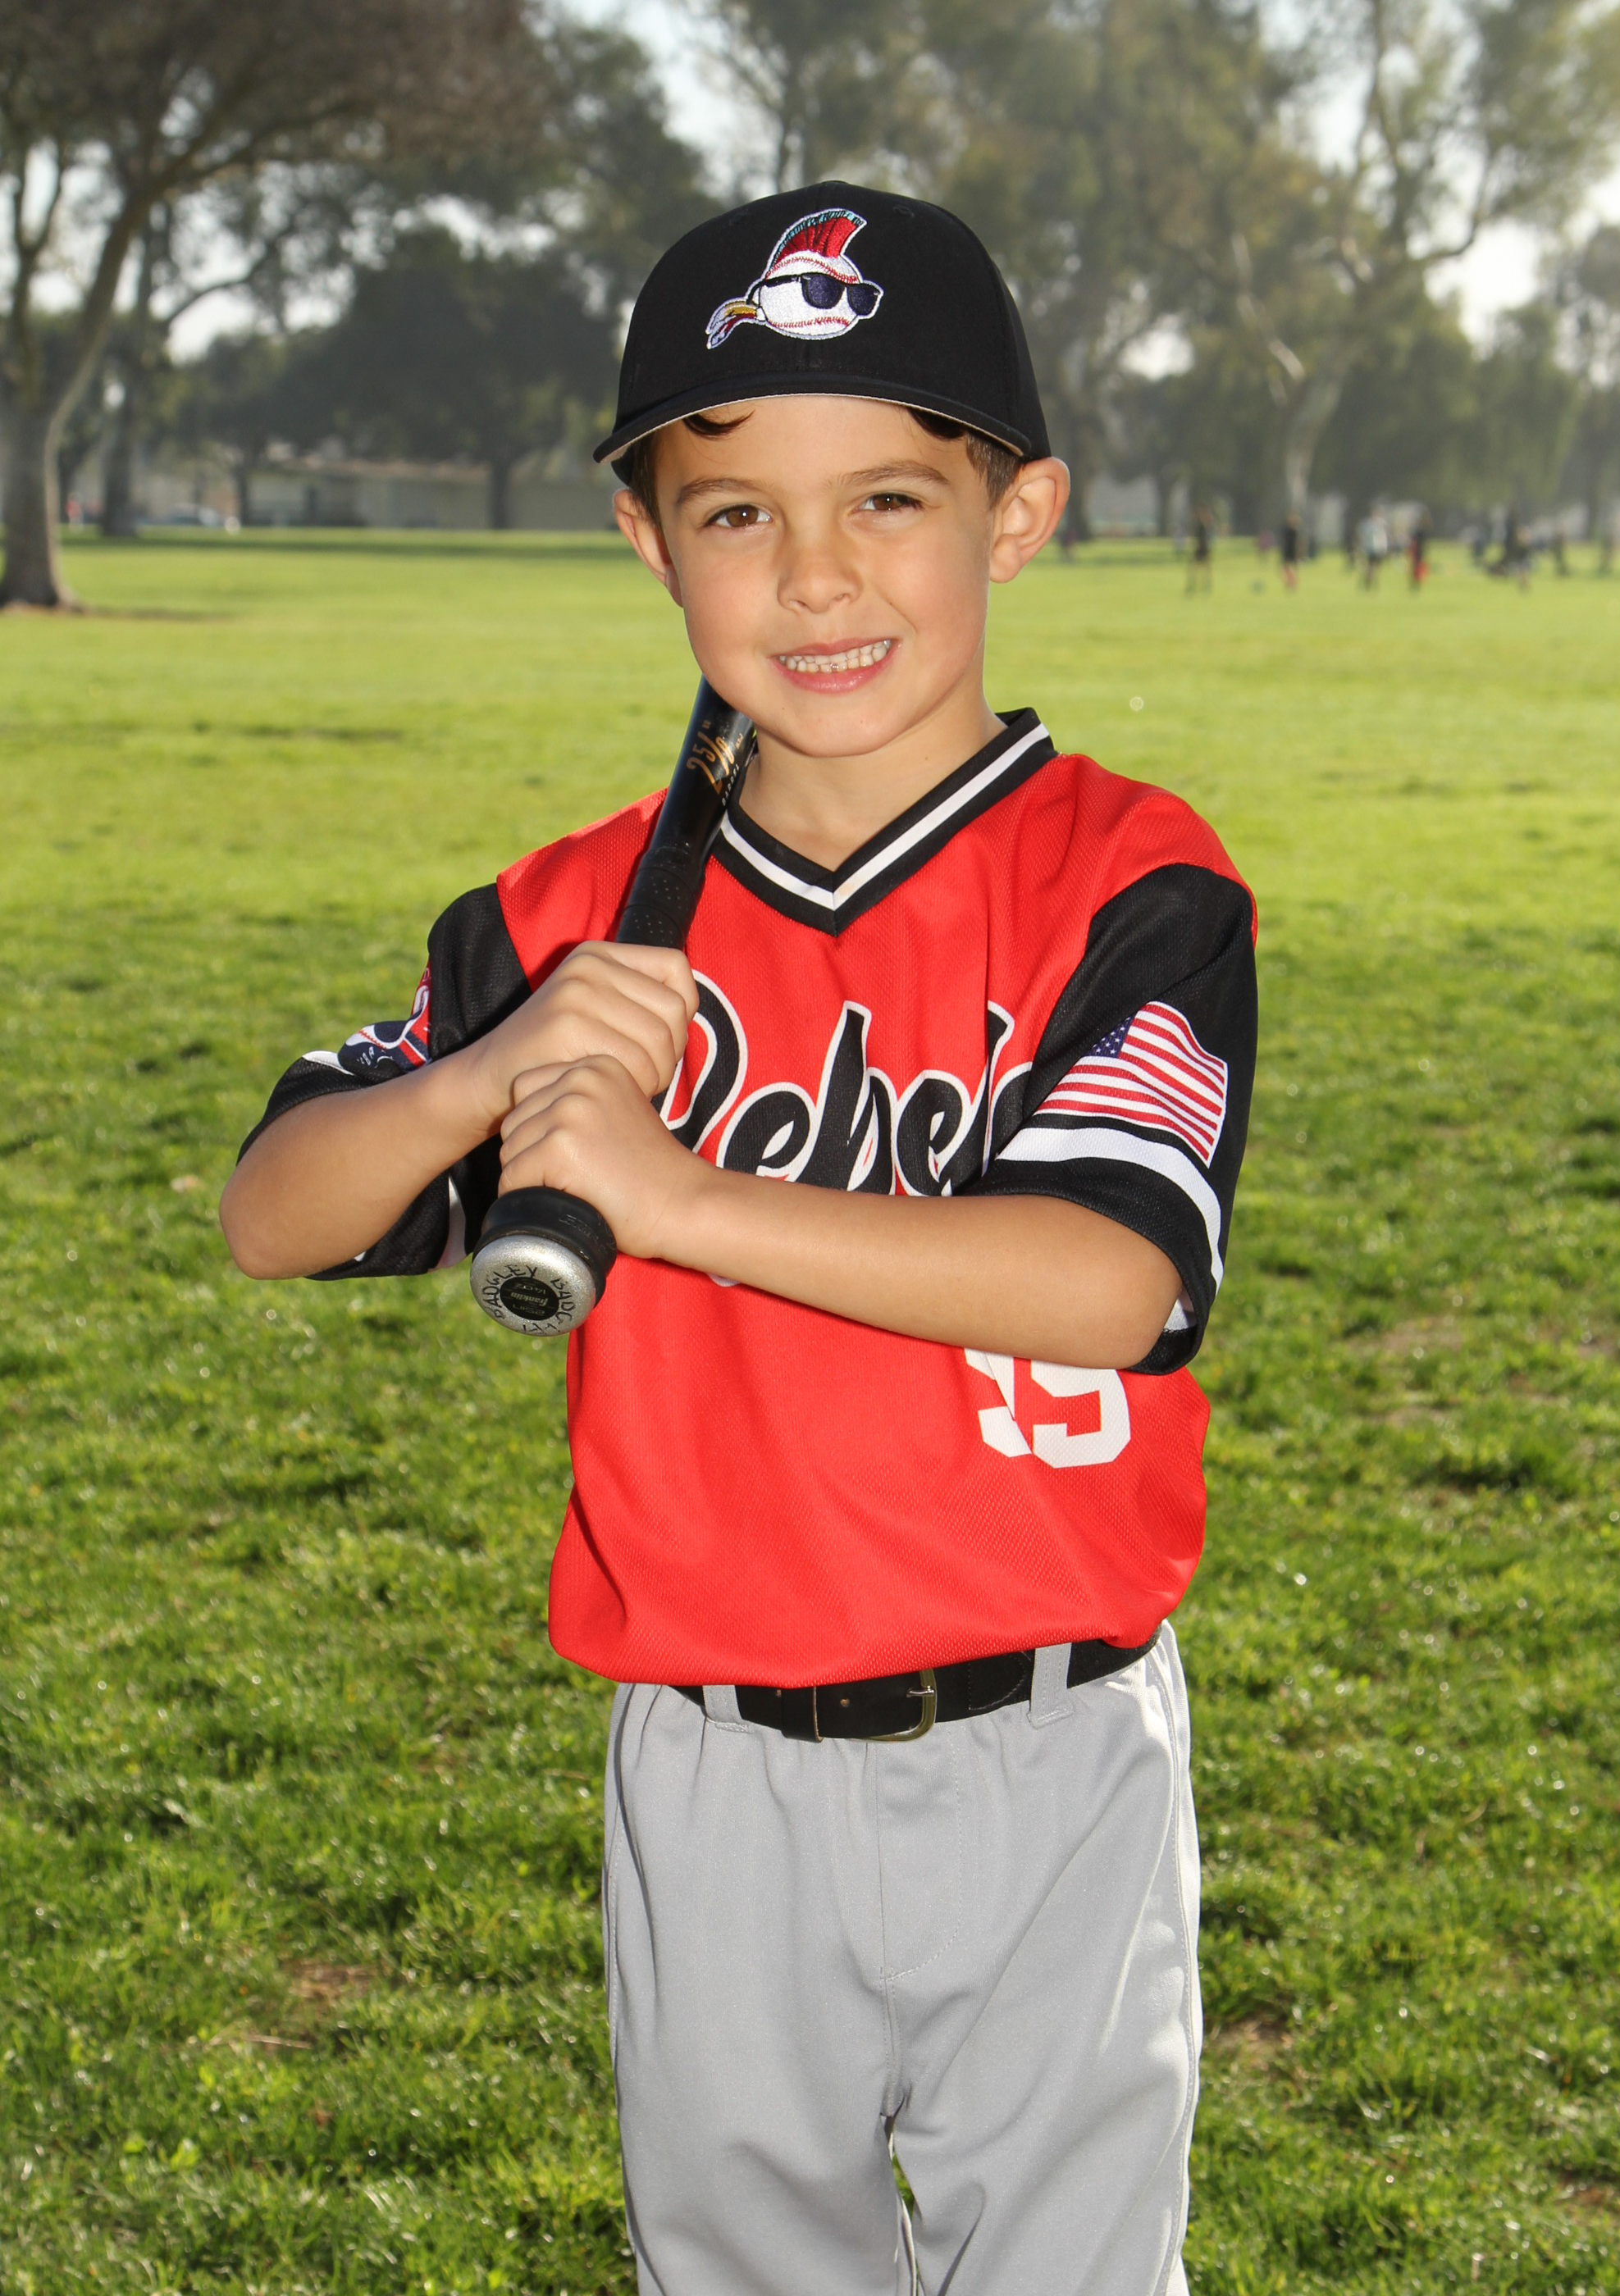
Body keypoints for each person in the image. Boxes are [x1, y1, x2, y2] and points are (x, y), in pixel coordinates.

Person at [221, 181, 1257, 2296]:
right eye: (733, 513)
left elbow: (1111, 1280)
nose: (814, 576)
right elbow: (275, 1212)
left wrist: (675, 1196)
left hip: (1050, 1741)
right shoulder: (571, 922)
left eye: (887, 498)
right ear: (647, 540)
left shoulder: (1124, 877)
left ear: (1018, 513)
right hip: (708, 1766)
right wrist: (487, 1076)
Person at [1187, 499, 1215, 592]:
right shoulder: (1200, 523)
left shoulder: (1204, 524)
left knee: (1201, 567)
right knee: (1198, 567)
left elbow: (1204, 536)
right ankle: (1203, 585)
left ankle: (1205, 585)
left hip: (1202, 547)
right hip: (1202, 547)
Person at [1280, 508, 1303, 589]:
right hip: (1287, 550)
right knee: (1286, 569)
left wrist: (1299, 553)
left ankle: (1292, 582)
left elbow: (1298, 543)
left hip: (1291, 550)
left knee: (1288, 568)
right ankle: (1291, 582)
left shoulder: (1294, 530)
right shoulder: (1287, 529)